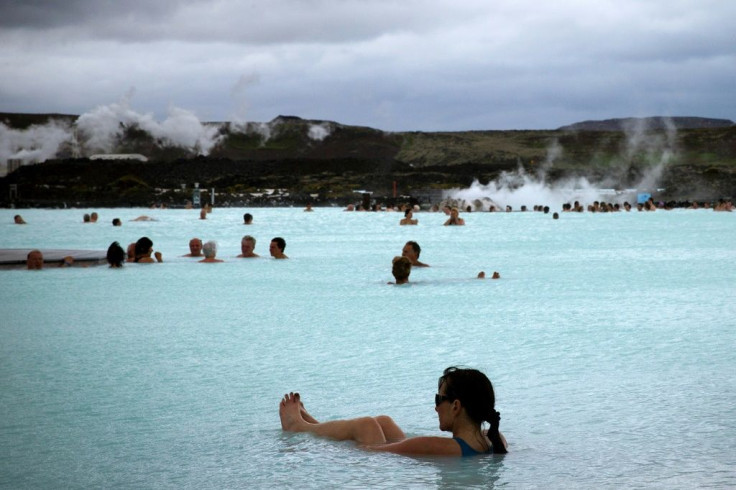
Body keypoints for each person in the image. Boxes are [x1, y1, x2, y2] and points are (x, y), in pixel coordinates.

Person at [279, 366, 508, 456]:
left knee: (366, 424)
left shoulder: (438, 446)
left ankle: (299, 427)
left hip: (379, 461)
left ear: (456, 406)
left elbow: (376, 453)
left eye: (438, 399)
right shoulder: (494, 440)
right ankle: (316, 427)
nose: (435, 406)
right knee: (385, 422)